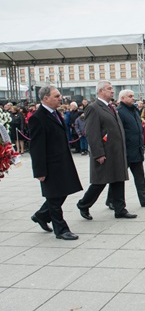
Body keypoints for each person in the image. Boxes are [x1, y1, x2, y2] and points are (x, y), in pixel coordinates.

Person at [76, 80, 137, 220]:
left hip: (116, 151)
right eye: (109, 88)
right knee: (100, 182)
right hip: (105, 153)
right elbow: (92, 133)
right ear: (101, 91)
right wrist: (98, 153)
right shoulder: (93, 108)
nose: (112, 91)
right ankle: (84, 204)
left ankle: (120, 209)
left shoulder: (111, 107)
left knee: (118, 180)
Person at [29, 86, 82, 240]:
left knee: (62, 192)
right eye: (57, 96)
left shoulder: (55, 113)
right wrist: (39, 171)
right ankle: (61, 229)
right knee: (54, 197)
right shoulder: (37, 117)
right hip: (50, 164)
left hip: (61, 161)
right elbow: (36, 147)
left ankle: (41, 215)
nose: (60, 98)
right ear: (46, 98)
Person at [105, 89, 145, 209]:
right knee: (118, 178)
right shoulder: (119, 112)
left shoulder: (134, 110)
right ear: (122, 98)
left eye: (133, 96)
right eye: (130, 96)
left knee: (140, 176)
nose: (133, 98)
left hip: (136, 148)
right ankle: (111, 200)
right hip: (125, 150)